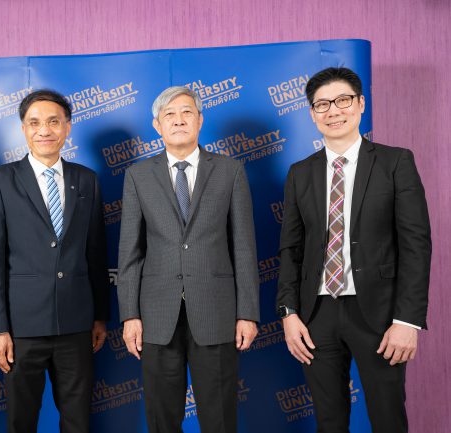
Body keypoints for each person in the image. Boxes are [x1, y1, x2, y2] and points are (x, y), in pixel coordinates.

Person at [276, 67, 431, 433]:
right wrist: (288, 313)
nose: (333, 111)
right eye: (323, 104)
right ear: (312, 114)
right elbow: (291, 249)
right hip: (315, 315)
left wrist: (407, 321)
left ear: (361, 104)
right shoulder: (300, 173)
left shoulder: (395, 162)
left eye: (343, 100)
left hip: (380, 314)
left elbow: (416, 245)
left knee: (388, 418)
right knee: (329, 421)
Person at [117, 86, 260, 433]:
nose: (178, 120)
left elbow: (244, 247)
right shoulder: (138, 175)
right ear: (157, 125)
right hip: (156, 316)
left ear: (200, 120)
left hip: (216, 313)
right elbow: (130, 252)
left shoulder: (230, 171)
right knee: (161, 419)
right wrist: (130, 315)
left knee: (219, 418)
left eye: (186, 112)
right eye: (169, 114)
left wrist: (247, 313)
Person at [0, 89, 110, 433]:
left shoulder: (87, 180)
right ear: (23, 129)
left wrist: (100, 315)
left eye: (54, 121)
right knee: (21, 421)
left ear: (67, 127)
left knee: (78, 421)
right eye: (34, 123)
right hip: (21, 328)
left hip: (77, 324)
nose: (44, 130)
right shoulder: (0, 180)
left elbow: (96, 253)